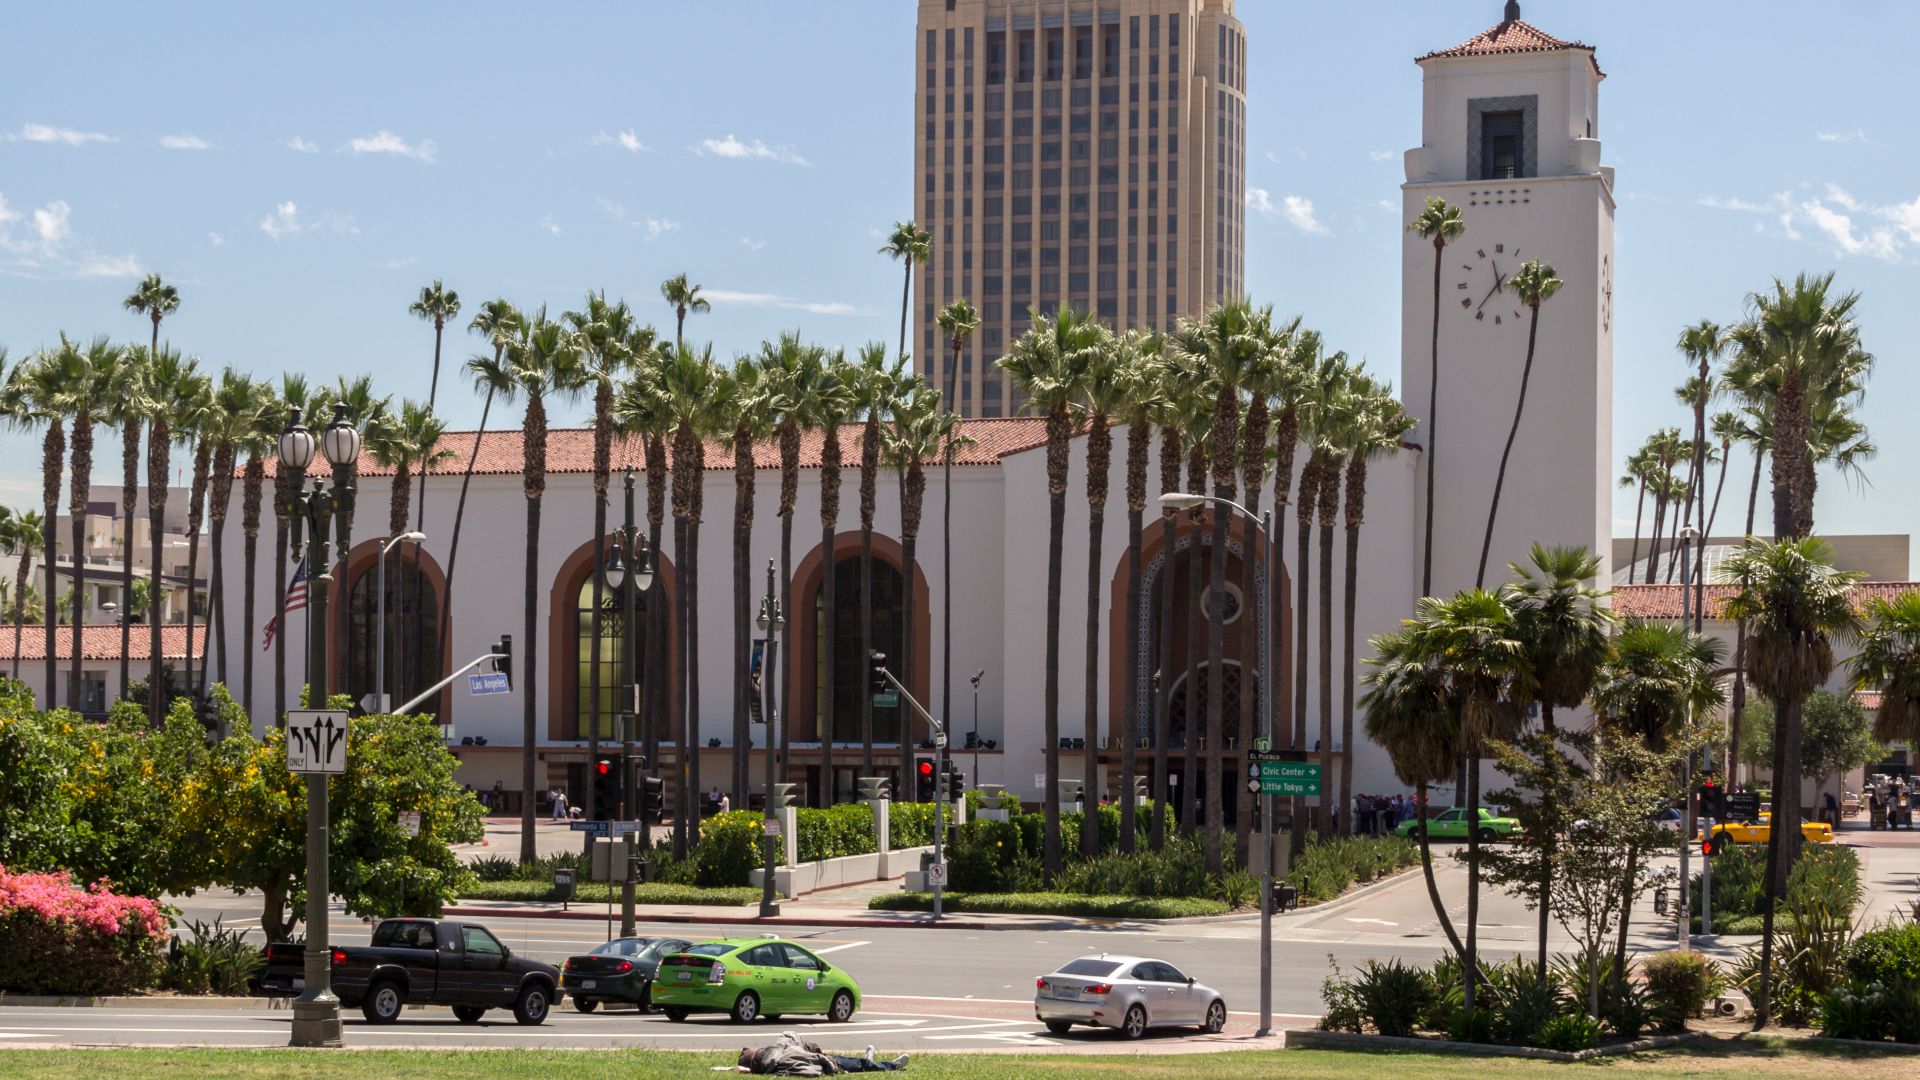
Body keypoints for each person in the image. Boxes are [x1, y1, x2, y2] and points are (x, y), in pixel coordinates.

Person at [733, 1033, 909, 1074]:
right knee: (859, 1065)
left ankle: (868, 1060)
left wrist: (810, 1048)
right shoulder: (773, 1057)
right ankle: (891, 1065)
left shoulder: (774, 1053)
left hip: (822, 1059)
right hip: (826, 1062)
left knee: (854, 1063)